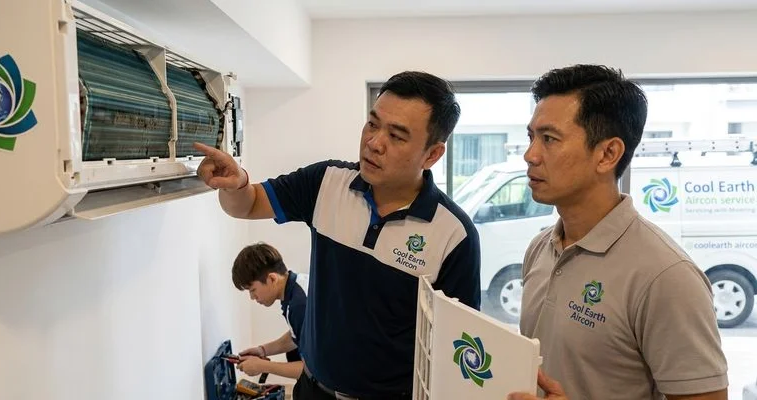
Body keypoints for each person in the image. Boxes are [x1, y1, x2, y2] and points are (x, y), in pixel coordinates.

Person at [193, 71, 481, 399]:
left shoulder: (454, 235)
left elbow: (458, 350)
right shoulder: (327, 182)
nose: (374, 143)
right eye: (372, 124)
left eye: (397, 136)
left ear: (432, 154)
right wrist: (238, 182)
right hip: (312, 389)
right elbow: (247, 205)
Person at [507, 64, 728, 400]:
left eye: (549, 139)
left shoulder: (665, 276)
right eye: (531, 137)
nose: (530, 155)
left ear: (608, 154)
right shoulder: (541, 248)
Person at [231, 242, 308, 380]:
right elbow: (297, 334)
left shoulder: (300, 305)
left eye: (253, 290)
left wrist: (262, 366)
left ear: (272, 278)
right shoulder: (296, 287)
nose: (252, 297)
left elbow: (312, 372)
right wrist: (263, 350)